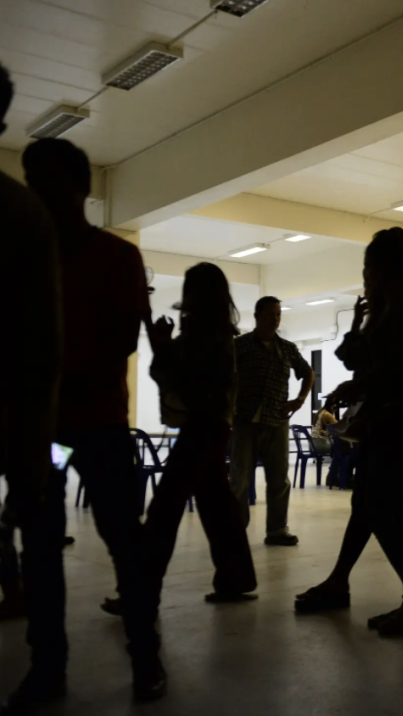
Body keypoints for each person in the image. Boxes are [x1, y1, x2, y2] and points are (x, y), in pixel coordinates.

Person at [19, 137, 165, 705]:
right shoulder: (28, 257)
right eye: (33, 181)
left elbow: (121, 341)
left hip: (97, 425)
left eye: (47, 180)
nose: (38, 192)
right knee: (40, 543)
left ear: (80, 187)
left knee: (122, 543)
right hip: (48, 431)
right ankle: (47, 665)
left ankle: (145, 657)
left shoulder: (115, 256)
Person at [294, 227, 403, 635]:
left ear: (384, 271)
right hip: (387, 417)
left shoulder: (402, 309)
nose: (364, 278)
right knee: (368, 505)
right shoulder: (386, 308)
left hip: (395, 419)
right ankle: (341, 581)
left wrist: (358, 383)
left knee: (387, 510)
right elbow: (352, 358)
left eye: (368, 270)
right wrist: (357, 323)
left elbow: (395, 371)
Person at [0, 64, 63, 709]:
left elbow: (45, 344)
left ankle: (48, 657)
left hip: (41, 419)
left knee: (30, 525)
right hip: (32, 417)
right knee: (30, 525)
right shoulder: (23, 215)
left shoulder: (22, 213)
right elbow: (44, 344)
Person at [145, 263, 257, 604]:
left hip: (201, 427)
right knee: (216, 507)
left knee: (165, 509)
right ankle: (236, 578)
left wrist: (162, 349)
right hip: (214, 426)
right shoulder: (218, 333)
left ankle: (139, 590)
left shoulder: (203, 336)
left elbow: (182, 381)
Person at [230, 296, 314, 546]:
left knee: (279, 479)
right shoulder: (240, 345)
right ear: (256, 316)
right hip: (245, 421)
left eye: (278, 314)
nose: (275, 319)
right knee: (240, 479)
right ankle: (236, 530)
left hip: (277, 421)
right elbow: (225, 378)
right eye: (270, 314)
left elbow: (307, 373)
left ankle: (277, 530)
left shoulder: (287, 348)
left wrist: (299, 400)